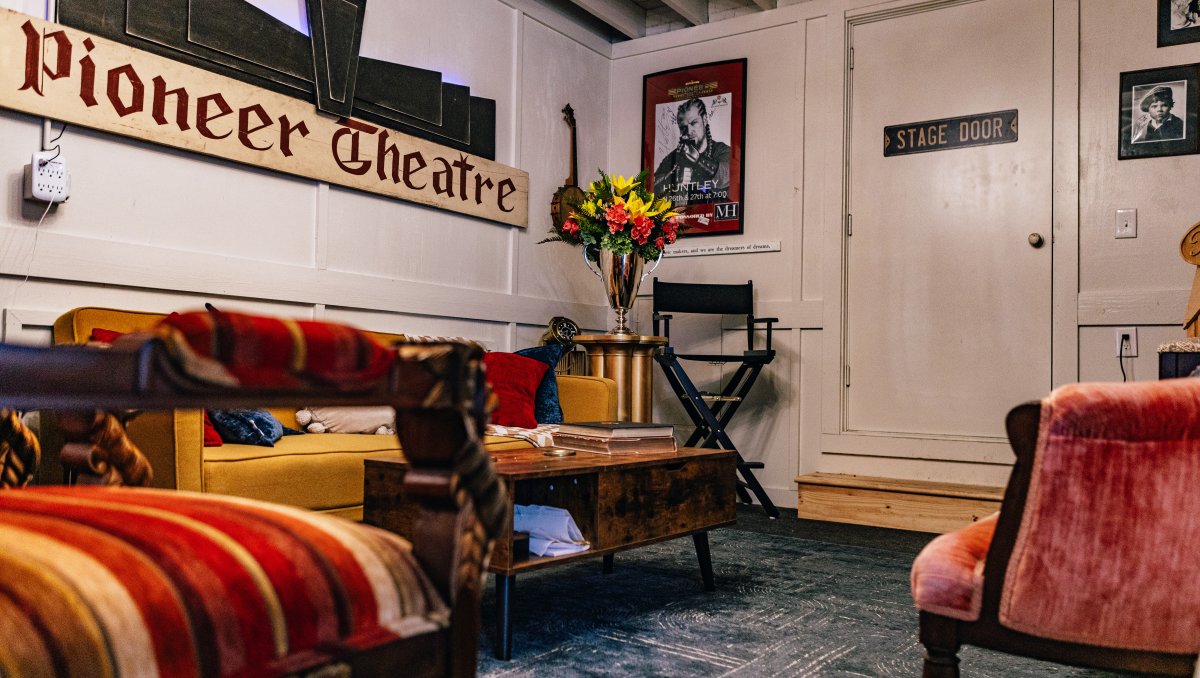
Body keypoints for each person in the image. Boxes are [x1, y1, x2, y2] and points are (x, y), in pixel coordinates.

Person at [653, 98, 731, 200]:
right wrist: (673, 178)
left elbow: (728, 176)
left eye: (694, 123)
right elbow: (652, 192)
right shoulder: (673, 157)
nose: (689, 131)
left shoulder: (722, 150)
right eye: (683, 127)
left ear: (704, 120)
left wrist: (698, 160)